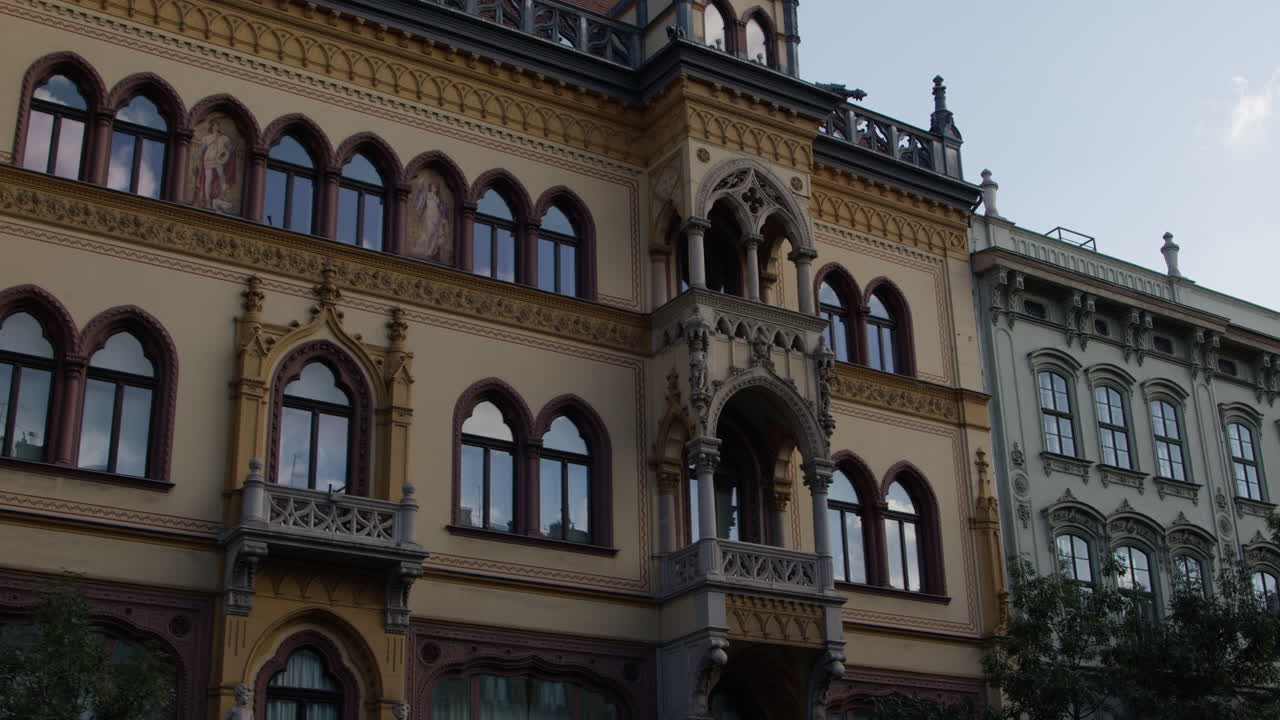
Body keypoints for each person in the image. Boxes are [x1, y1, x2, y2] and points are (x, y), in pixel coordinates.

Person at [193, 118, 237, 213]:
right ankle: (208, 202)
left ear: (218, 127)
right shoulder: (207, 138)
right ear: (211, 127)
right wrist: (198, 158)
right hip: (208, 158)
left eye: (217, 125)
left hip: (219, 160)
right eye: (213, 125)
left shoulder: (224, 138)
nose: (215, 127)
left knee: (222, 177)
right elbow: (202, 150)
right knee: (208, 180)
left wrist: (228, 152)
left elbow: (230, 149)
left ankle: (222, 196)